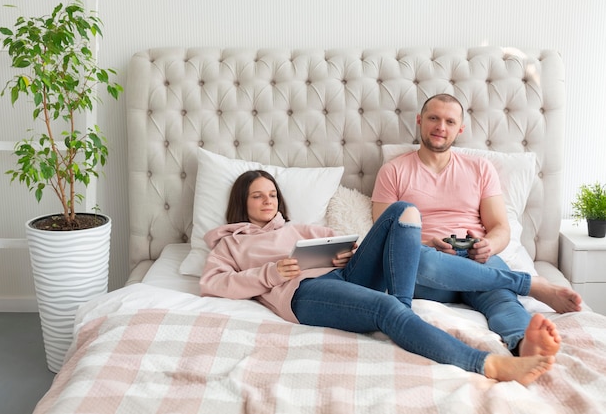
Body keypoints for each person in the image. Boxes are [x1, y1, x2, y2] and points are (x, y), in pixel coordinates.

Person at [201, 169, 557, 386]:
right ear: (242, 202)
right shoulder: (230, 244)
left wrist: (346, 253)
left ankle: (402, 308)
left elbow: (346, 243)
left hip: (346, 273)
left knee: (403, 210)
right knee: (386, 309)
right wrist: (271, 272)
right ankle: (489, 364)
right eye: (258, 196)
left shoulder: (302, 228)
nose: (268, 201)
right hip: (306, 292)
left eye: (273, 194)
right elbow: (212, 284)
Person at [371, 93, 582, 358]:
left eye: (449, 121)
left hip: (474, 258)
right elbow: (384, 235)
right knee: (426, 262)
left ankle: (524, 344)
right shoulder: (394, 171)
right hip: (423, 263)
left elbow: (500, 227)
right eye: (433, 118)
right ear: (419, 121)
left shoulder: (480, 169)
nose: (440, 127)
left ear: (459, 129)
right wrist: (426, 244)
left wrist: (488, 245)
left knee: (503, 300)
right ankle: (530, 284)